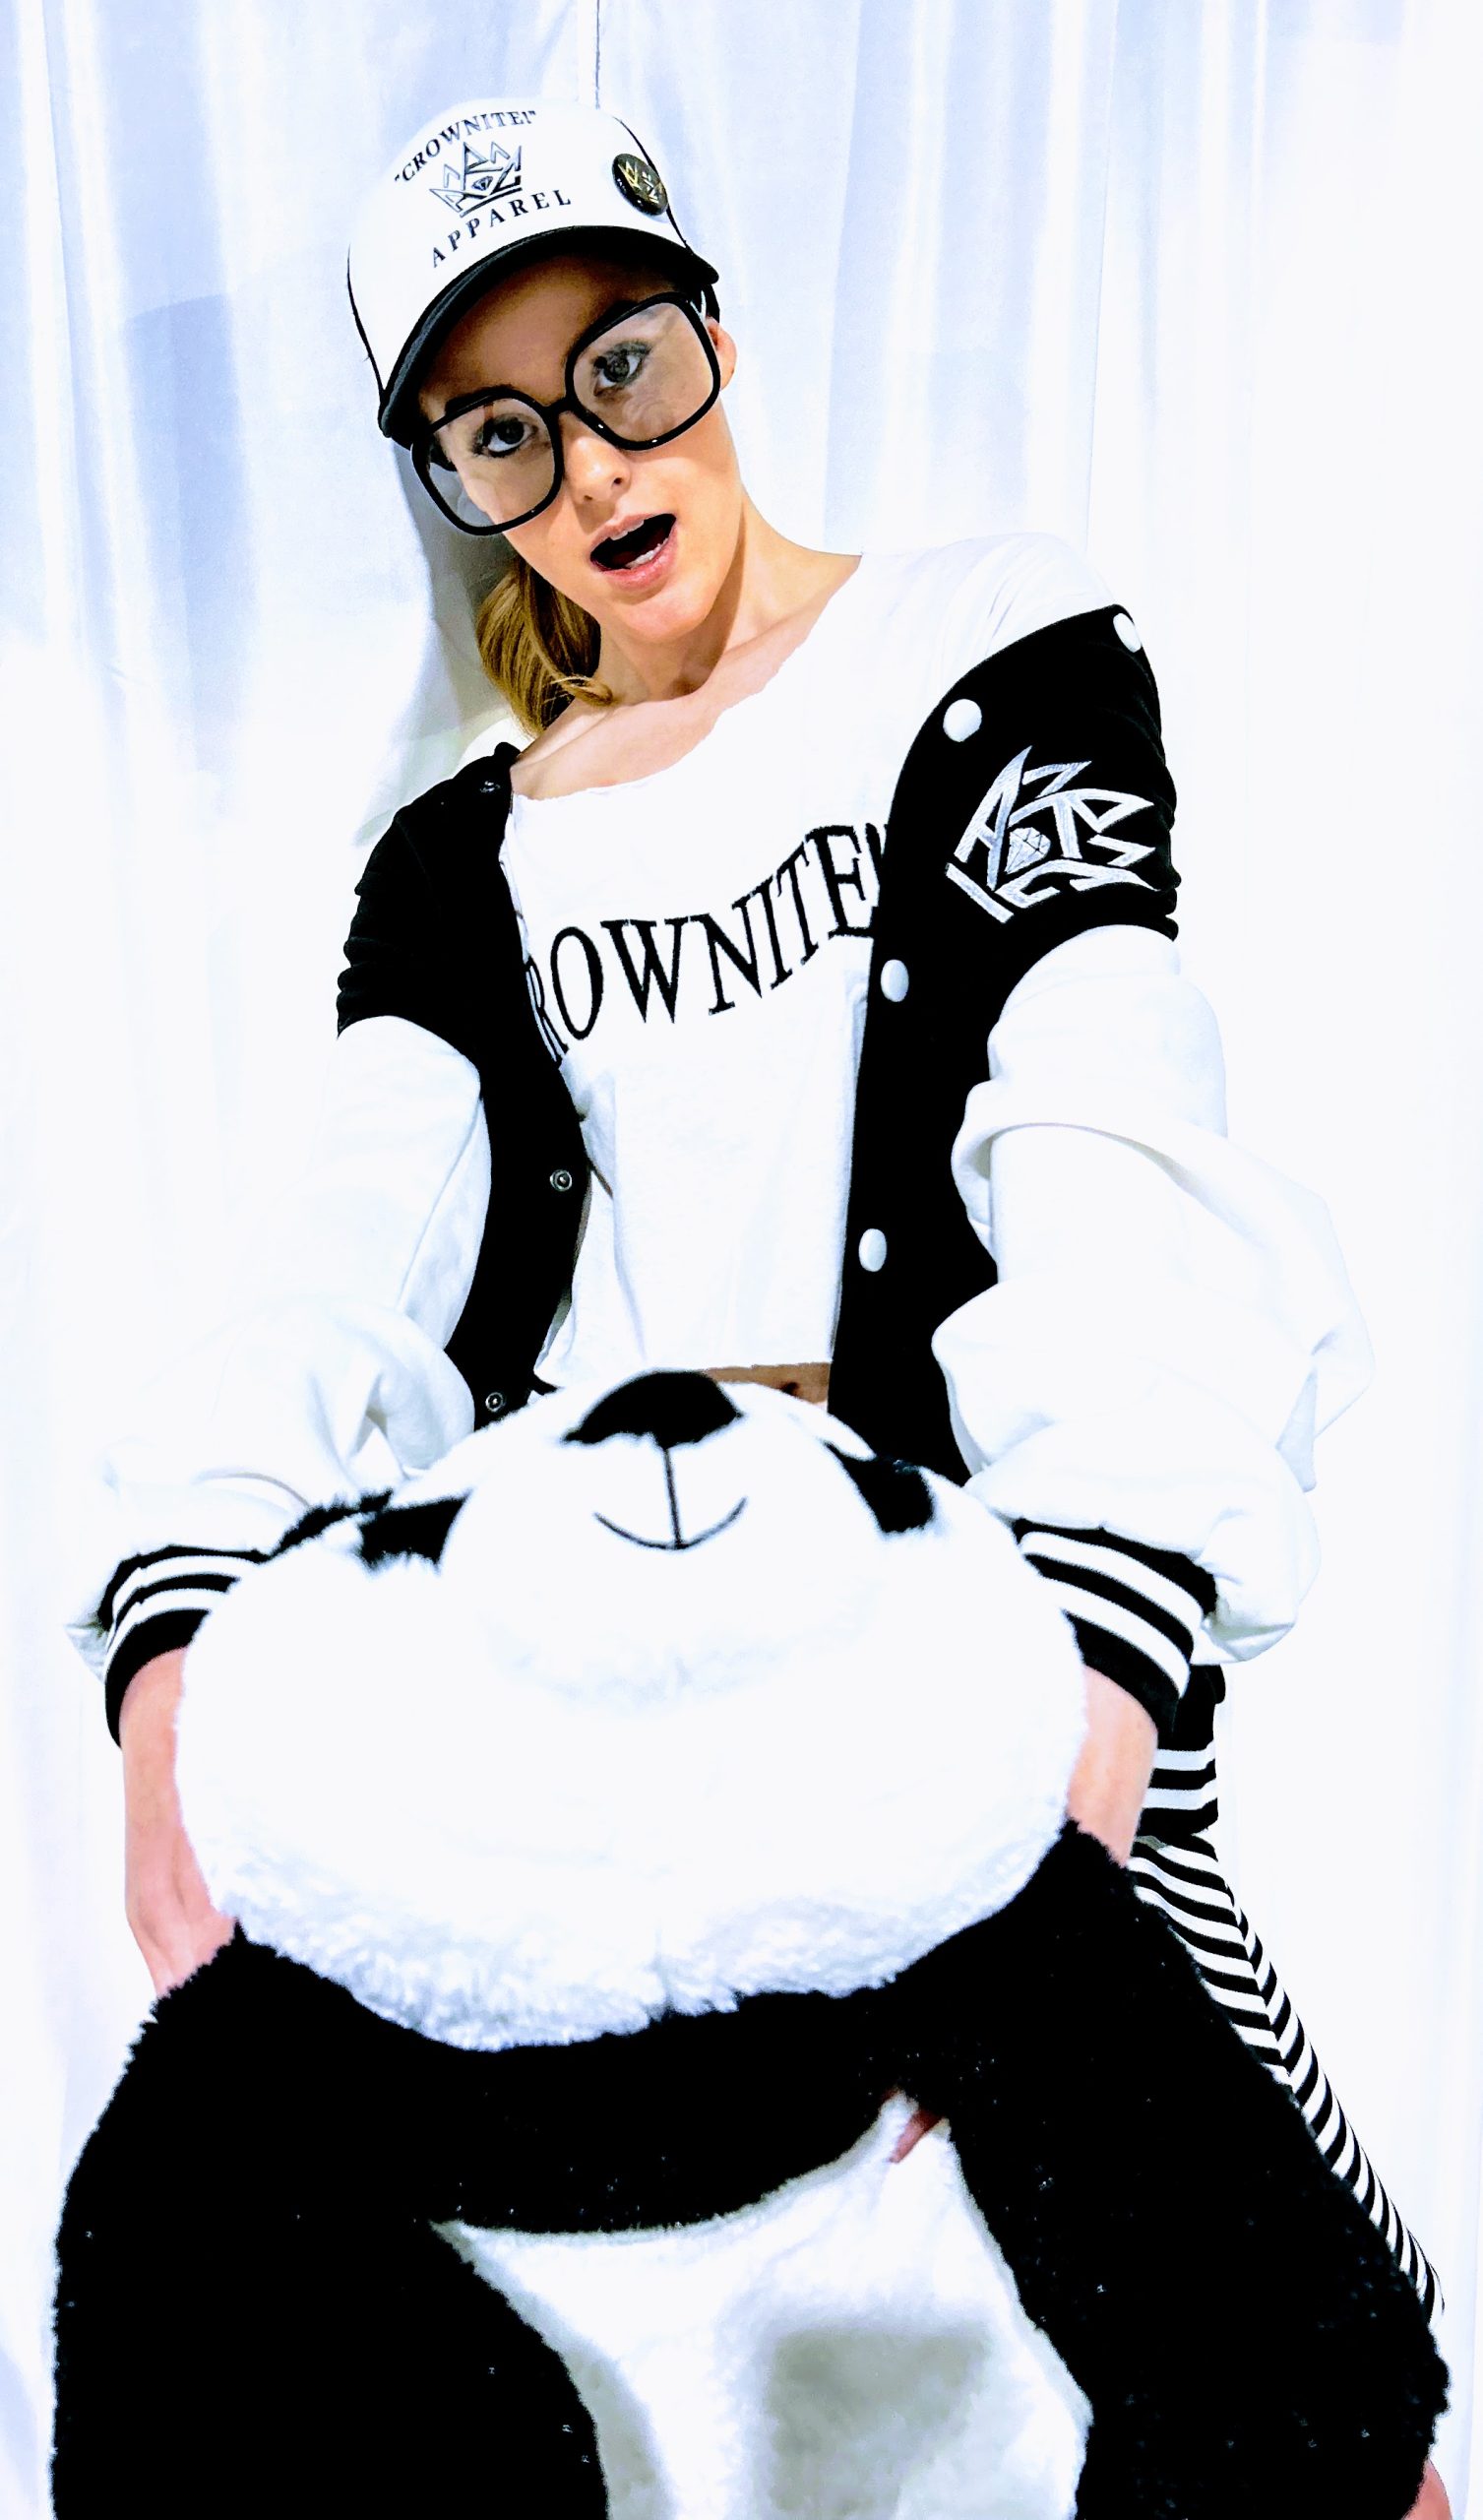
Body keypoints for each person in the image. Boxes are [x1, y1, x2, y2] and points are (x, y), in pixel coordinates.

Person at [67, 93, 1449, 2513]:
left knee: (1295, 2375)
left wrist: (1103, 1640)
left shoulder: (978, 652)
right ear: (456, 481)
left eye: (622, 363)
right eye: (500, 427)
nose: (593, 459)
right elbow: (350, 1238)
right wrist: (179, 1619)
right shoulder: (460, 864)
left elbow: (1106, 1108)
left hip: (982, 1651)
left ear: (710, 330)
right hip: (621, 1751)